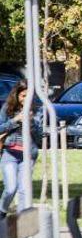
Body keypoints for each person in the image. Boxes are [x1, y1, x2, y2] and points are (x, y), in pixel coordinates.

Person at [0, 80, 42, 219]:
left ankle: (21, 223)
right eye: (23, 96)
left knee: (24, 190)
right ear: (17, 95)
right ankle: (2, 211)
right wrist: (15, 120)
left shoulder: (36, 111)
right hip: (10, 153)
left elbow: (39, 136)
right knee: (11, 188)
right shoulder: (7, 109)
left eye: (28, 96)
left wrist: (31, 123)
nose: (25, 99)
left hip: (28, 155)